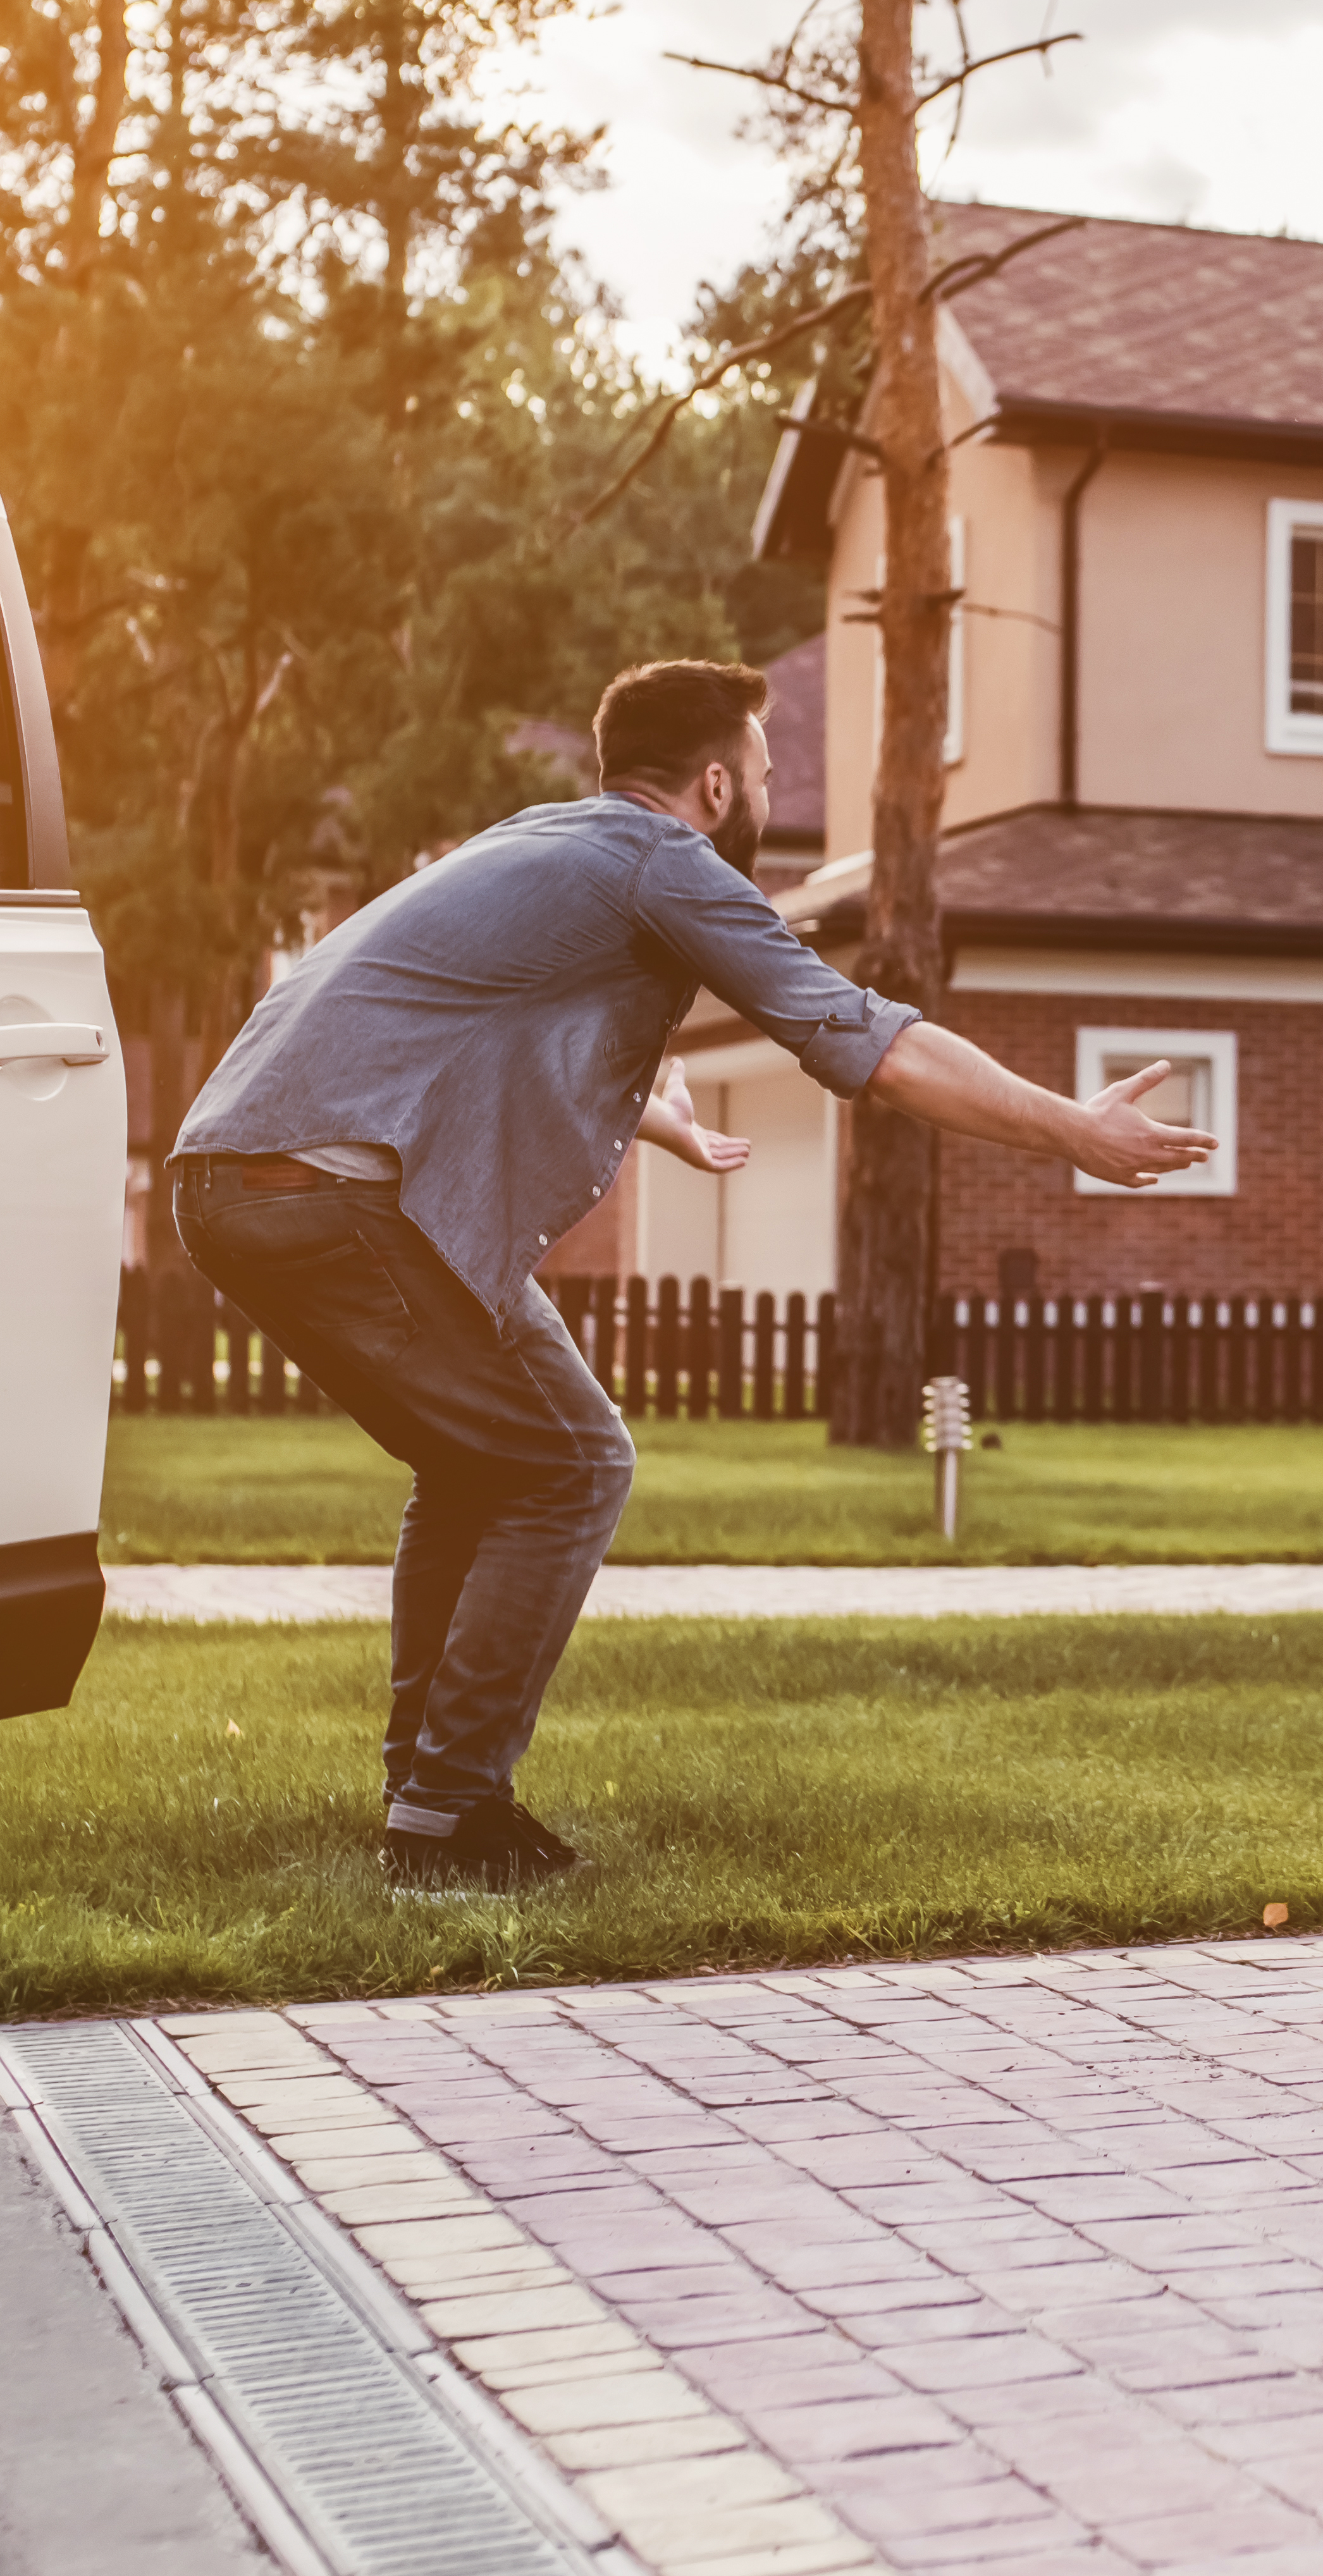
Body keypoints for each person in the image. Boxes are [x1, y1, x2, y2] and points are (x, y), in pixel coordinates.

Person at [168, 656, 1215, 1891]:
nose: (770, 793)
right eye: (767, 771)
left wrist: (653, 1117)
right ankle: (446, 1813)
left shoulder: (540, 842)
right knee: (570, 1462)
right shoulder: (667, 864)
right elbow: (857, 1033)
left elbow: (451, 1015)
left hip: (234, 1175)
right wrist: (1070, 1128)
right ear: (716, 783)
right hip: (333, 1191)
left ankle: (431, 1791)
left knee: (477, 1465)